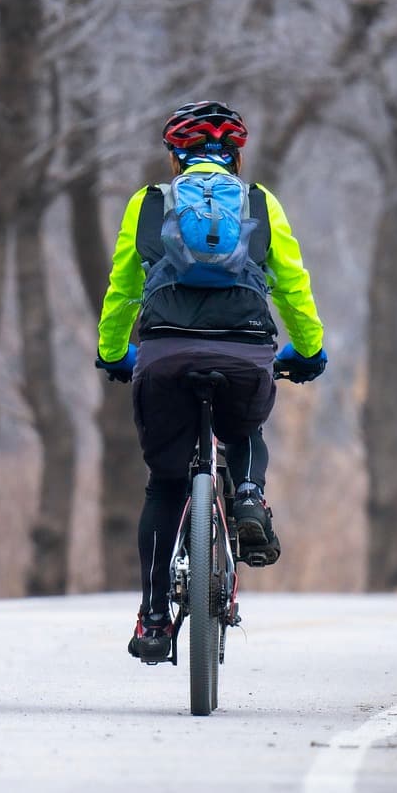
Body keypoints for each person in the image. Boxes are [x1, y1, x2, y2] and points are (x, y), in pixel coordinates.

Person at [94, 100, 327, 662]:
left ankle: (152, 618)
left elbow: (124, 285)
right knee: (245, 424)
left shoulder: (148, 203)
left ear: (176, 157)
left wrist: (112, 352)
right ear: (235, 157)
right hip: (245, 351)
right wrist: (311, 349)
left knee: (165, 484)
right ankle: (246, 496)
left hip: (165, 354)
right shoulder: (259, 202)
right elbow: (290, 283)